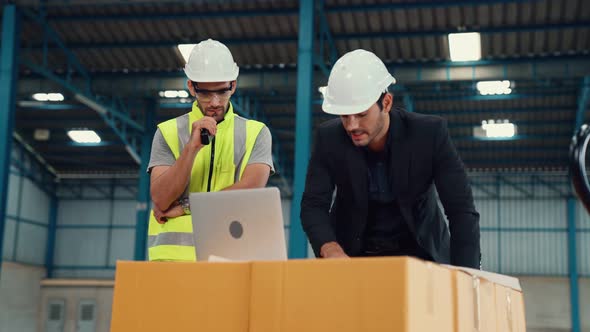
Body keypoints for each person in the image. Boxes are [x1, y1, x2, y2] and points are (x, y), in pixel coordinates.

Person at [300, 49, 480, 268]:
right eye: (344, 116)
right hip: (353, 257)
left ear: (386, 103)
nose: (351, 125)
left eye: (361, 114)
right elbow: (313, 205)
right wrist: (330, 249)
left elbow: (460, 209)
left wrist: (468, 274)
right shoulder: (329, 139)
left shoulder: (429, 134)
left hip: (420, 256)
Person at [147, 39, 275, 261]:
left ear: (233, 85)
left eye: (222, 91)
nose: (215, 102)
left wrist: (187, 207)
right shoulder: (167, 132)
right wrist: (191, 148)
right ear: (191, 87)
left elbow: (250, 190)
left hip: (231, 257)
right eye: (205, 93)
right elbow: (160, 199)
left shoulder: (256, 133)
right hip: (172, 263)